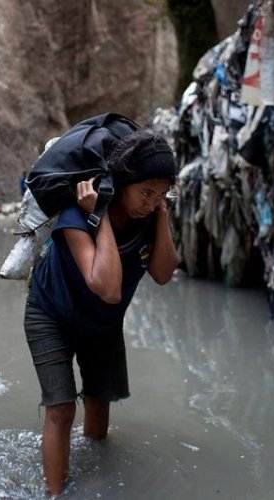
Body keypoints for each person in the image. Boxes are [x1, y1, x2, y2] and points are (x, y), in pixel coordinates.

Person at [23, 128, 180, 496]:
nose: (151, 201)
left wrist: (161, 214)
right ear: (122, 183)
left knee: (98, 400)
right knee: (61, 409)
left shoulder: (150, 216)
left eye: (160, 194)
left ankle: (98, 478)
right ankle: (54, 492)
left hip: (102, 324)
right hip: (52, 317)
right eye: (145, 192)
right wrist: (103, 215)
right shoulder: (76, 217)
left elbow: (162, 273)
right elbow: (108, 288)